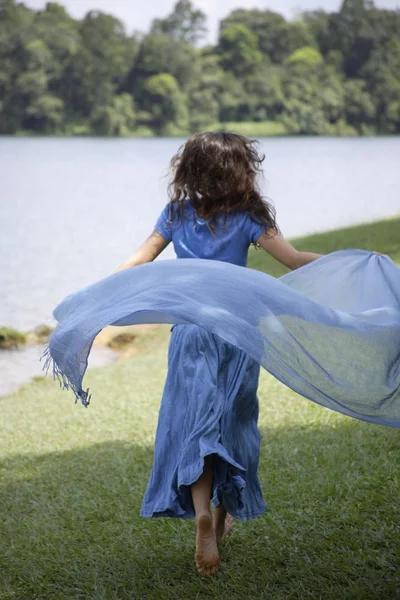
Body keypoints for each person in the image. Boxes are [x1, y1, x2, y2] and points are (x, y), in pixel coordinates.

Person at [115, 132, 322, 576]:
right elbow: (293, 259)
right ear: (240, 169)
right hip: (240, 334)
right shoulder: (250, 215)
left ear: (190, 169)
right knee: (235, 425)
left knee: (195, 425)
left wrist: (101, 290)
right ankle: (221, 521)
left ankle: (202, 516)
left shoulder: (175, 214)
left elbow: (141, 259)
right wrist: (349, 259)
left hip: (191, 332)